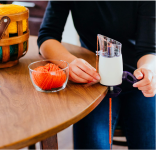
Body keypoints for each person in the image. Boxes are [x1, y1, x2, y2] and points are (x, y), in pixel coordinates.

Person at [37, 1, 156, 149]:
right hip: (91, 82)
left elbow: (149, 49)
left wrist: (148, 70)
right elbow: (47, 36)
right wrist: (69, 63)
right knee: (93, 144)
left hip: (137, 82)